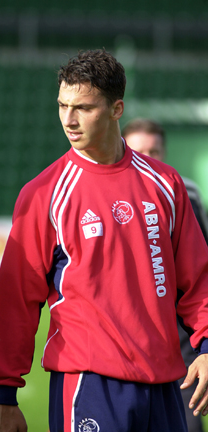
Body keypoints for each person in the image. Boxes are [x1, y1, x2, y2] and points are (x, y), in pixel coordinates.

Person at [0, 49, 208, 432]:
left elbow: (198, 279)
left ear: (116, 109)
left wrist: (206, 346)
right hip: (89, 384)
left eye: (83, 108)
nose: (69, 120)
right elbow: (16, 299)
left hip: (165, 386)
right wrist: (6, 393)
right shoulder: (45, 194)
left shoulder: (165, 184)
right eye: (62, 106)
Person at [122, 117, 208, 432]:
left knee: (186, 419)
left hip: (181, 328)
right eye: (140, 150)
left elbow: (201, 265)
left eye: (155, 151)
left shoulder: (186, 191)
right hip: (129, 330)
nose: (148, 158)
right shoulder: (109, 197)